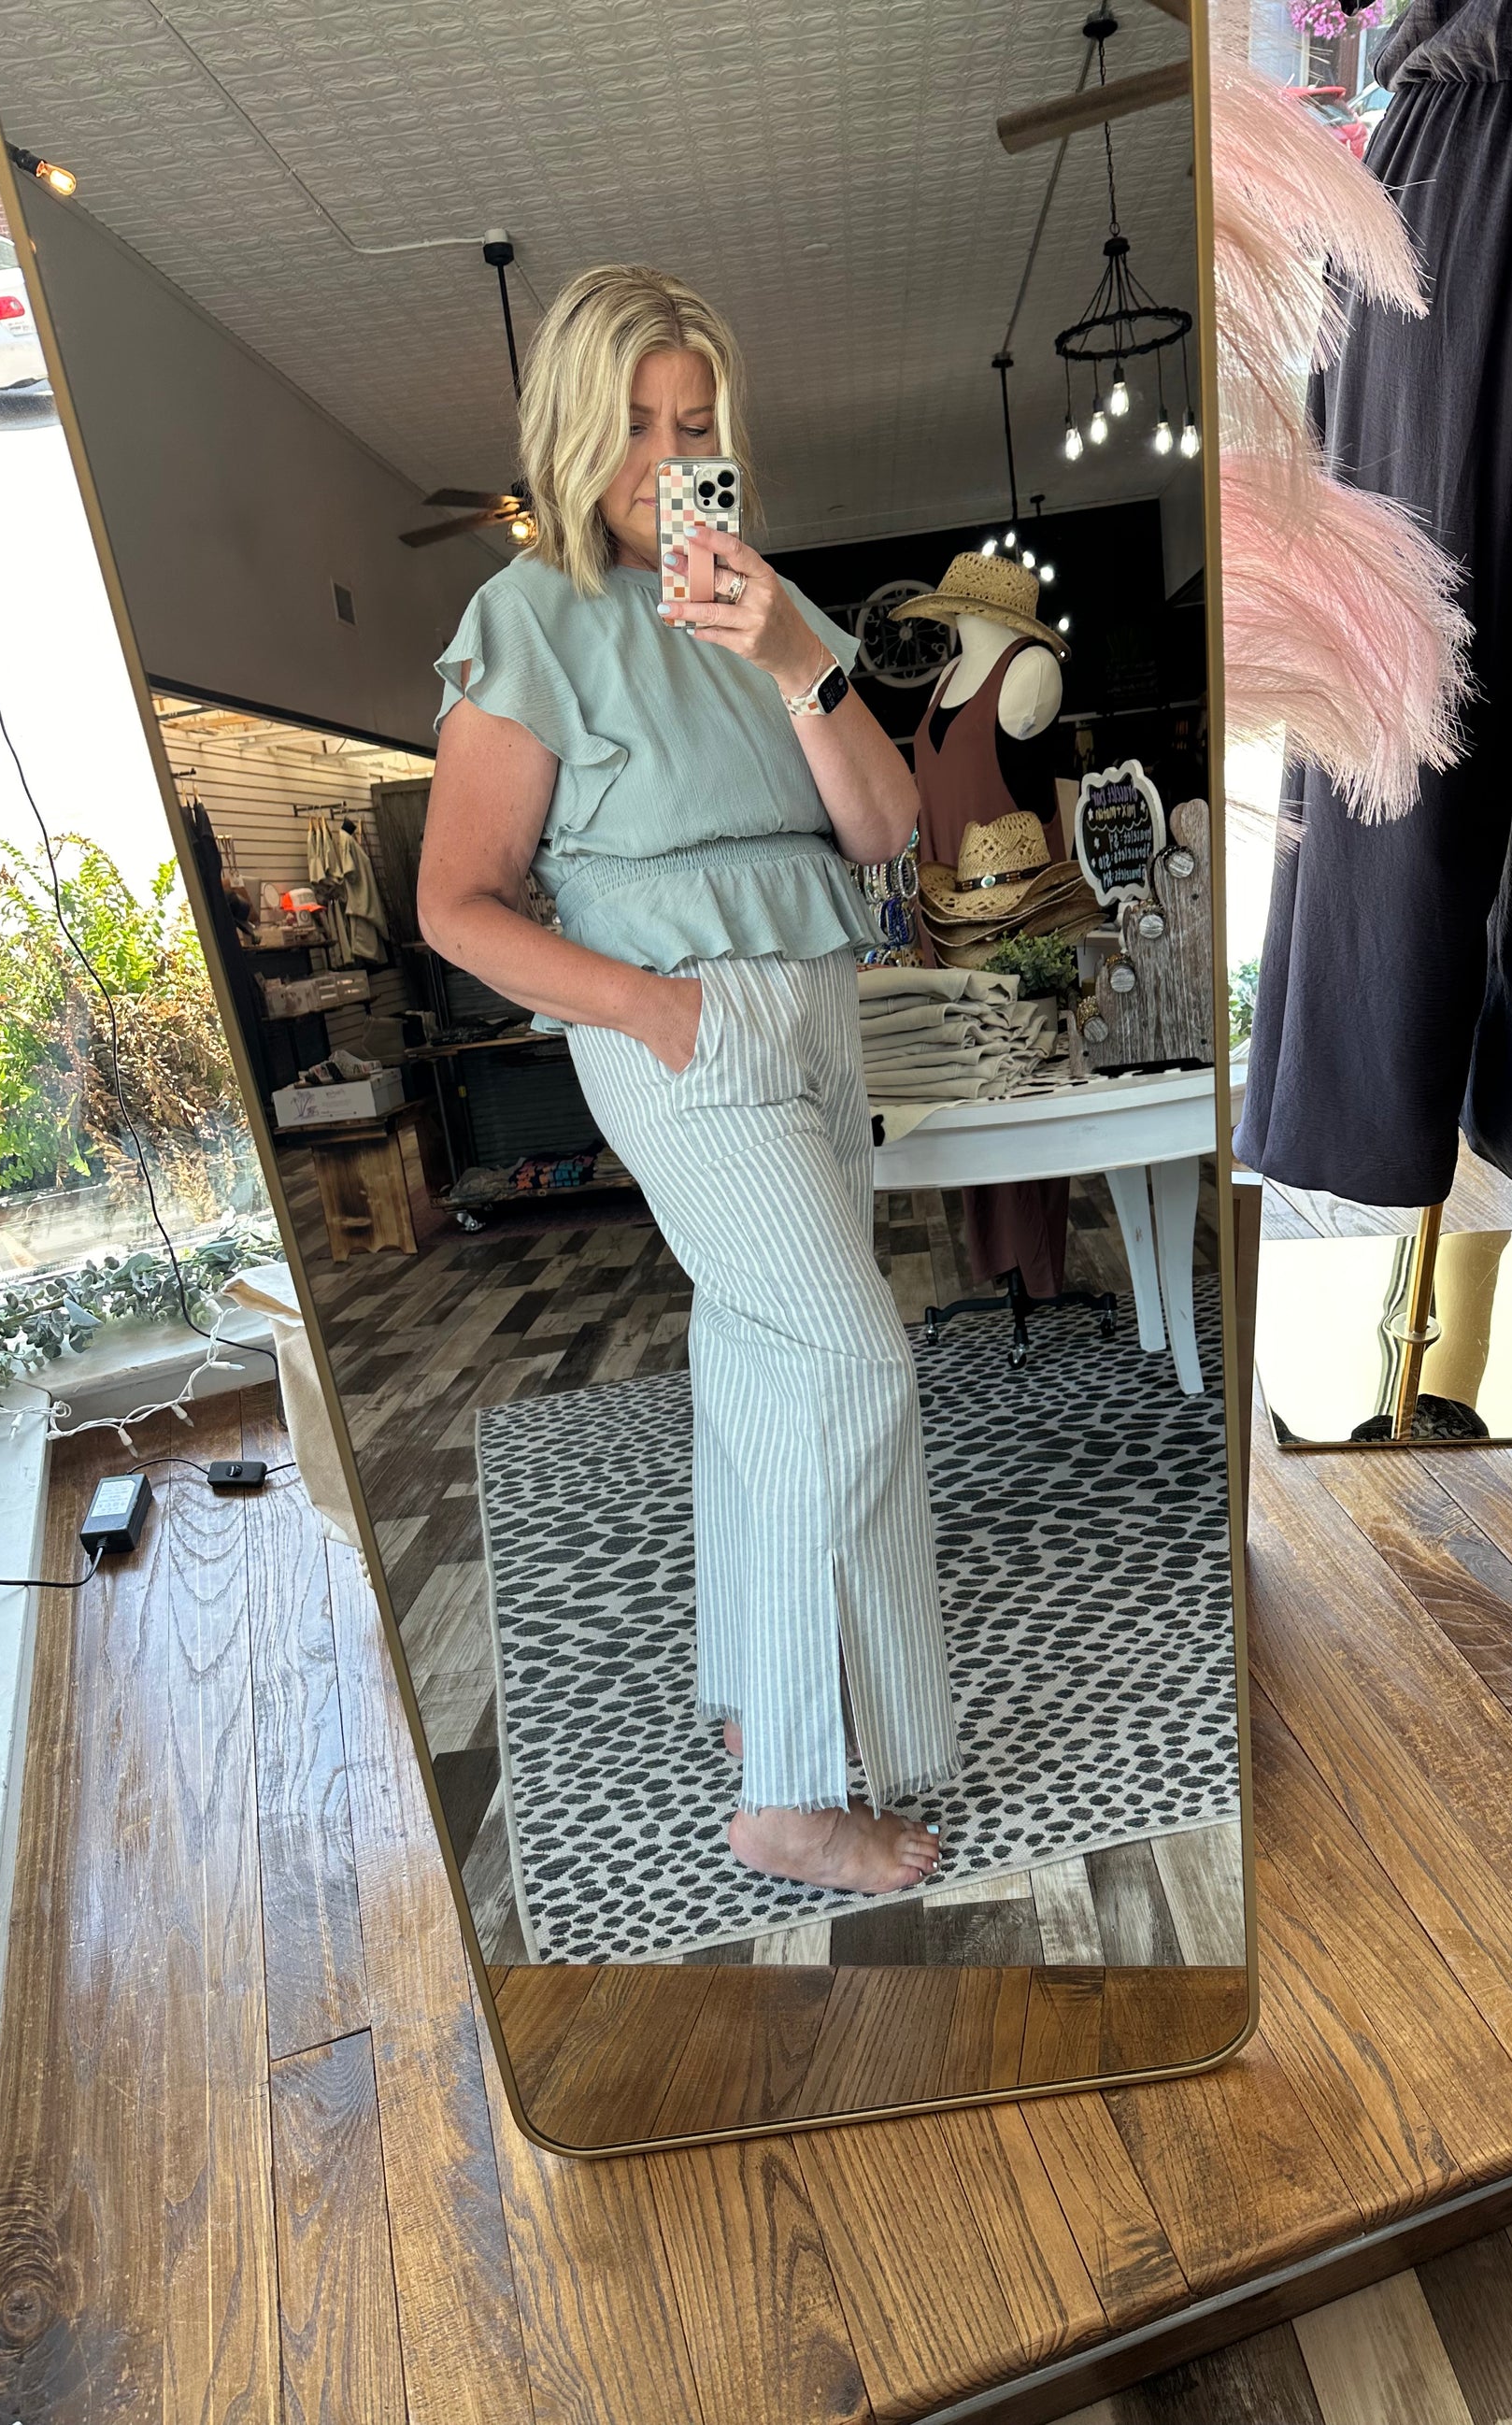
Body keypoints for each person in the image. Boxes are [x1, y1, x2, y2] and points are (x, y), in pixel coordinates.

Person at [418, 263, 959, 1896]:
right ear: (571, 433)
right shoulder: (528, 620)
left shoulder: (766, 606)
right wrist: (652, 1012)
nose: (668, 460)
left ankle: (751, 1694)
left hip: (815, 1010)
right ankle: (787, 1798)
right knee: (849, 1362)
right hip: (682, 1028)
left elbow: (883, 829)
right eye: (635, 426)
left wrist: (797, 656)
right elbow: (456, 907)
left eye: (697, 425)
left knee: (759, 1364)